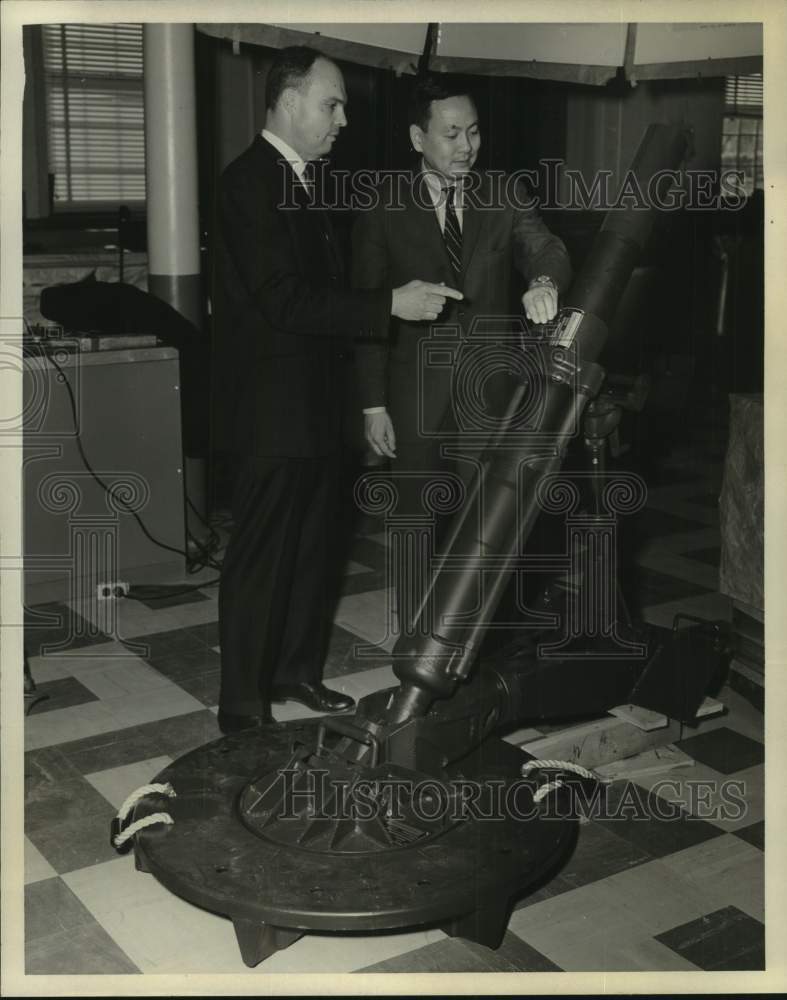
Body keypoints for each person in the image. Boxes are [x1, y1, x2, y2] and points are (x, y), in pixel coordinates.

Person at [216, 48, 463, 734]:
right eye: (331, 104)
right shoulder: (248, 184)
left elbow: (324, 294)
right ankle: (240, 705)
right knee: (263, 556)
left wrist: (361, 395)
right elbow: (283, 300)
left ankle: (296, 670)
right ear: (287, 101)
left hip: (319, 407)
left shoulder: (308, 179)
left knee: (317, 548)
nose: (343, 120)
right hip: (272, 411)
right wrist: (387, 304)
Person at [352, 74, 572, 633]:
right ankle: (415, 638)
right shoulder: (382, 208)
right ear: (416, 137)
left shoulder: (502, 194)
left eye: (473, 132)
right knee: (413, 521)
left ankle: (474, 636)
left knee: (486, 521)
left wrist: (543, 281)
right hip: (412, 391)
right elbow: (368, 311)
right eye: (451, 134)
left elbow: (546, 246)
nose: (466, 146)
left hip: (488, 391)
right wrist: (372, 404)